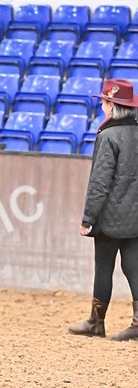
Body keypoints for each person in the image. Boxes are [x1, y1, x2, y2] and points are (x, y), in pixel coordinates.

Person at [69, 78, 138, 341]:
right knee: (134, 266)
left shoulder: (108, 136)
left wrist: (88, 218)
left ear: (112, 105)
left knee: (104, 267)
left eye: (104, 102)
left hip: (110, 217)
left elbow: (100, 182)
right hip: (135, 216)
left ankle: (96, 322)